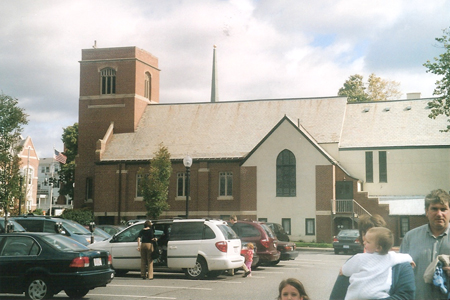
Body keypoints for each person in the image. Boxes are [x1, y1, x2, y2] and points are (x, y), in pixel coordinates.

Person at [329, 214, 416, 300]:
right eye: (365, 233)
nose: (367, 238)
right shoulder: (356, 260)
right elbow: (337, 296)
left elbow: (405, 297)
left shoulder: (401, 266)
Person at [400, 189, 450, 300]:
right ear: (426, 211)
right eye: (434, 209)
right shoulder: (410, 237)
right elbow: (400, 272)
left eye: (443, 209)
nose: (439, 213)